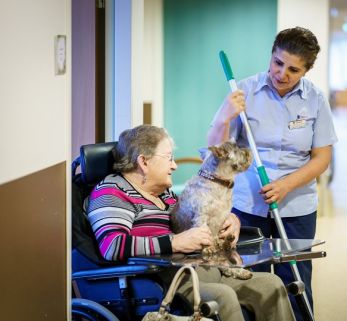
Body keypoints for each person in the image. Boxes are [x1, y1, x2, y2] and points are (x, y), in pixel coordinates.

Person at [86, 124, 296, 321]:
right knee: (222, 296)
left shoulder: (163, 194)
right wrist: (175, 242)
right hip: (158, 279)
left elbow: (195, 224)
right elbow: (112, 246)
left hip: (201, 268)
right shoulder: (111, 192)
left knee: (271, 284)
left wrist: (230, 220)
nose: (175, 165)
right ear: (143, 162)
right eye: (169, 158)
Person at [207, 27, 338, 321]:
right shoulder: (244, 91)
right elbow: (217, 148)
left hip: (296, 209)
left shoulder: (315, 100)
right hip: (247, 207)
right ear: (272, 55)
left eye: (293, 69)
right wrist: (223, 116)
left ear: (306, 70)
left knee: (294, 279)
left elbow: (322, 158)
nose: (282, 73)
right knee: (248, 281)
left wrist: (286, 185)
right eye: (278, 63)